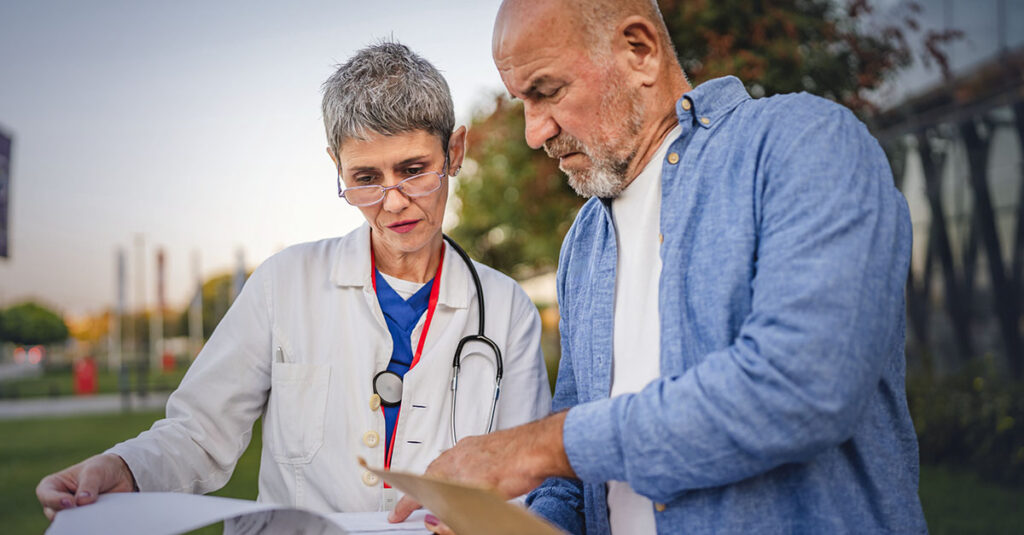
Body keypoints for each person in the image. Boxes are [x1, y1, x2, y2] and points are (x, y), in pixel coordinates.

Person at [390, 0, 927, 533]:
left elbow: (805, 385)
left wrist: (534, 448)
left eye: (547, 92)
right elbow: (575, 480)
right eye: (522, 102)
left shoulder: (801, 142)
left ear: (639, 51)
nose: (535, 132)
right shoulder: (585, 241)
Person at [36, 41, 551, 521]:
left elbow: (526, 480)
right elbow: (200, 432)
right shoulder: (284, 285)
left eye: (413, 169)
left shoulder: (506, 311)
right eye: (365, 179)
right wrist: (123, 469)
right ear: (337, 167)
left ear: (454, 151)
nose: (392, 202)